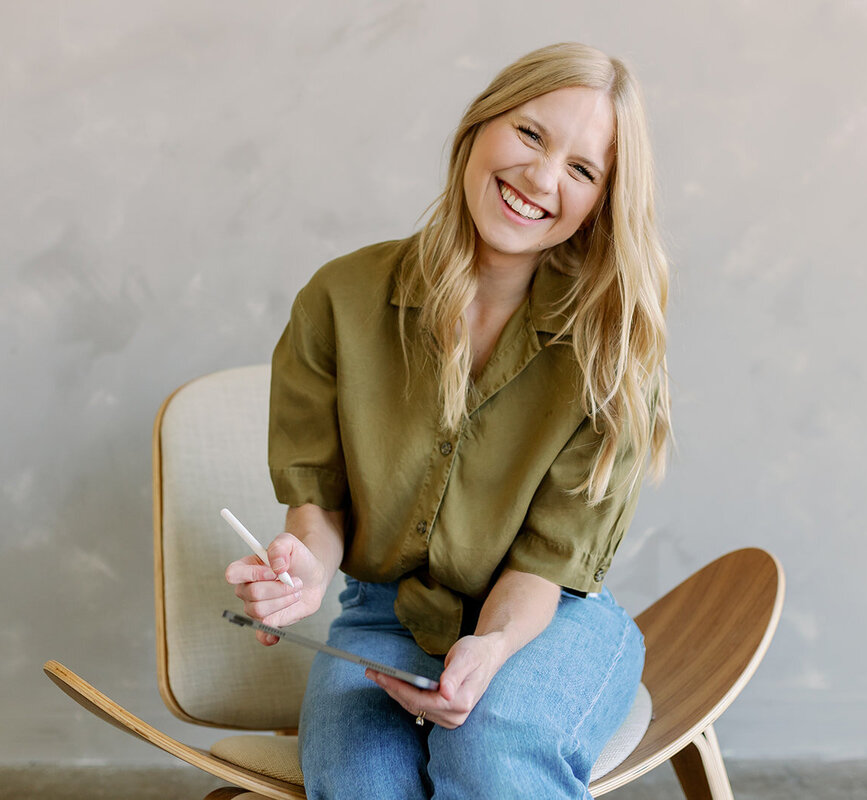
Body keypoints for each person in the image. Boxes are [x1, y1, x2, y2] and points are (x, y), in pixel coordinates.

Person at [225, 41, 672, 799]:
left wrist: (491, 647)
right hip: (384, 621)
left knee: (490, 753)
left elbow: (543, 569)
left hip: (550, 621)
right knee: (360, 784)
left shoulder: (609, 348)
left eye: (582, 169)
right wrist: (301, 567)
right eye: (530, 134)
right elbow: (319, 512)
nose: (539, 177)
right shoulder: (339, 300)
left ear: (602, 201)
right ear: (480, 126)